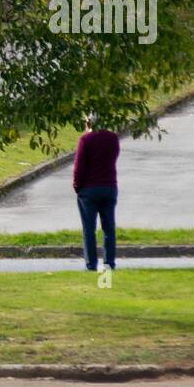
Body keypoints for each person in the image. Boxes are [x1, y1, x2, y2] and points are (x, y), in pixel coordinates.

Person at [73, 114, 119, 271]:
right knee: (109, 227)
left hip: (89, 190)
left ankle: (91, 264)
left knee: (89, 229)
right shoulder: (113, 138)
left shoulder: (85, 140)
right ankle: (109, 262)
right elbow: (113, 158)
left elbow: (79, 167)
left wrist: (77, 186)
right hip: (109, 187)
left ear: (89, 122)